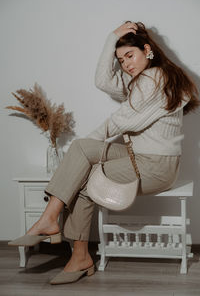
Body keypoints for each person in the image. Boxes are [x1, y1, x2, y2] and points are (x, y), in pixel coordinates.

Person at [8, 21, 199, 284]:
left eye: (130, 55)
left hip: (155, 166)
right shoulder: (141, 81)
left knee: (84, 174)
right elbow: (103, 81)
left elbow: (121, 122)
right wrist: (112, 38)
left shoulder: (154, 79)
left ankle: (75, 252)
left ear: (148, 49)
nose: (125, 64)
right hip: (142, 158)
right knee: (81, 150)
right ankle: (52, 221)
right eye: (120, 60)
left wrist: (86, 152)